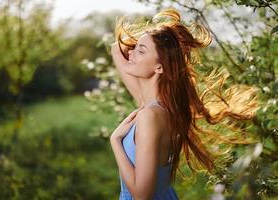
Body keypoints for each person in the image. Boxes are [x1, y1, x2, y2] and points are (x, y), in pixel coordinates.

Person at [109, 8, 259, 200]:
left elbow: (141, 195)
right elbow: (116, 49)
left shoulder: (149, 115)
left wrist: (115, 142)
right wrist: (158, 38)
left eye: (141, 50)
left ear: (159, 67)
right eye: (135, 47)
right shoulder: (159, 108)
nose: (131, 53)